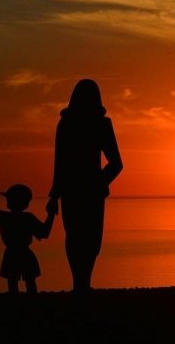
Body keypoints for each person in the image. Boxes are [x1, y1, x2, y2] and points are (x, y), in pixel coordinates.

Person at [47, 79, 122, 292]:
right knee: (79, 236)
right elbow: (60, 162)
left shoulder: (99, 124)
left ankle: (83, 283)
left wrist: (99, 182)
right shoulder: (67, 124)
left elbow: (116, 163)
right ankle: (80, 283)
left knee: (86, 237)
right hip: (75, 189)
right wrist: (55, 194)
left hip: (83, 190)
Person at [0, 184, 56, 294]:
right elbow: (44, 233)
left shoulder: (5, 218)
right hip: (26, 255)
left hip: (12, 254)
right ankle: (33, 302)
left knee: (13, 284)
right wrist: (51, 215)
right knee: (30, 283)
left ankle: (17, 302)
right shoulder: (28, 218)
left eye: (9, 198)